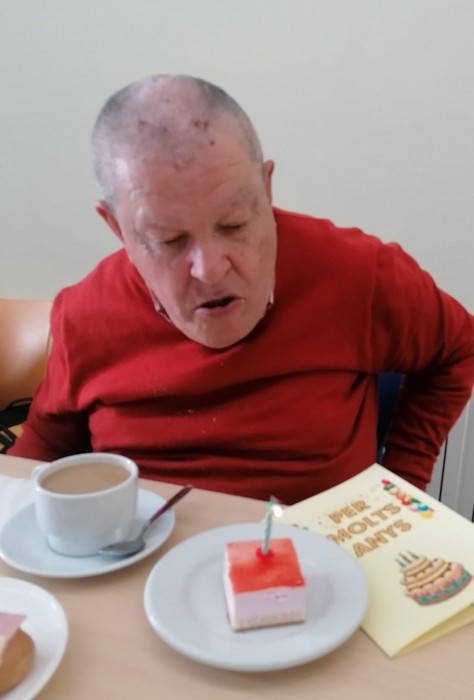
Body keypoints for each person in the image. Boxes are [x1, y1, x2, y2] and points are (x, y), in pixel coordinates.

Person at [9, 74, 474, 504]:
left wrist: (401, 489)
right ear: (117, 228)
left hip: (323, 551)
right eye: (169, 241)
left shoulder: (360, 273)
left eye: (234, 224)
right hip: (144, 555)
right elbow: (44, 446)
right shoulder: (85, 314)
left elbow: (458, 349)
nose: (211, 271)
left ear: (266, 190)